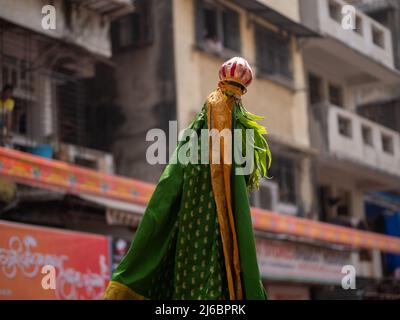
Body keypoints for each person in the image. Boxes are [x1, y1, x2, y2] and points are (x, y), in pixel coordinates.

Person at [103, 57, 271, 300]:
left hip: (218, 235)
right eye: (223, 99)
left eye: (231, 100)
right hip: (192, 229)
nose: (223, 109)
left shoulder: (227, 133)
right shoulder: (204, 132)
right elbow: (170, 186)